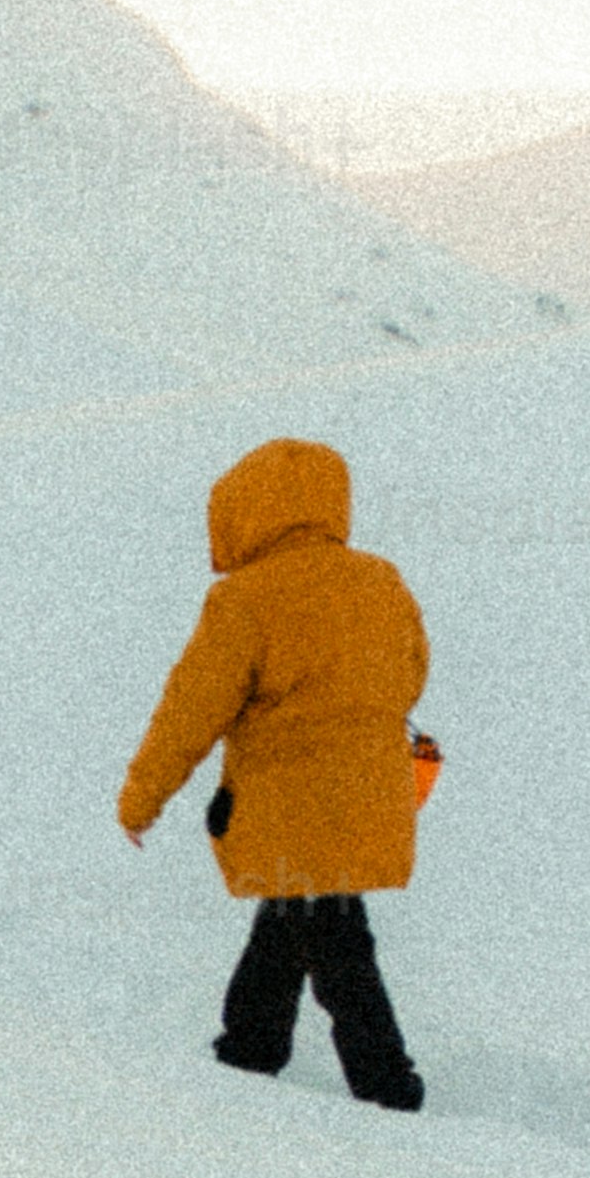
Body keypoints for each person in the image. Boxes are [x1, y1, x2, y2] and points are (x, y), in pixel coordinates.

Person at [117, 435, 430, 1111]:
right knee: (298, 916)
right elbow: (411, 676)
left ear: (244, 514)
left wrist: (142, 799)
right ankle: (250, 1048)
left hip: (291, 801)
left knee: (337, 938)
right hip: (370, 793)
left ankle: (389, 1089)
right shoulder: (382, 581)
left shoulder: (245, 601)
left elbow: (190, 711)